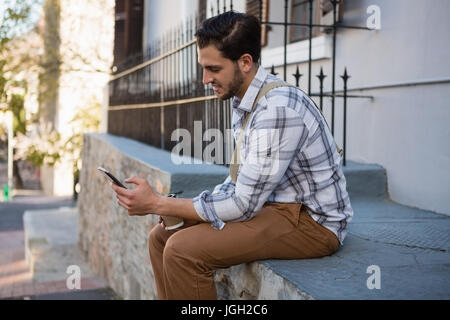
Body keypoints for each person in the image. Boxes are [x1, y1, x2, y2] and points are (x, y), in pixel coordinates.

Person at [111, 11, 353, 300]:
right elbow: (238, 183)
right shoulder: (246, 100)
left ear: (245, 62)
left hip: (313, 223)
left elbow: (243, 204)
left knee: (182, 251)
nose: (205, 79)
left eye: (213, 68)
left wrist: (159, 203)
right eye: (203, 68)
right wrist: (173, 209)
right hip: (275, 206)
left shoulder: (276, 110)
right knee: (161, 238)